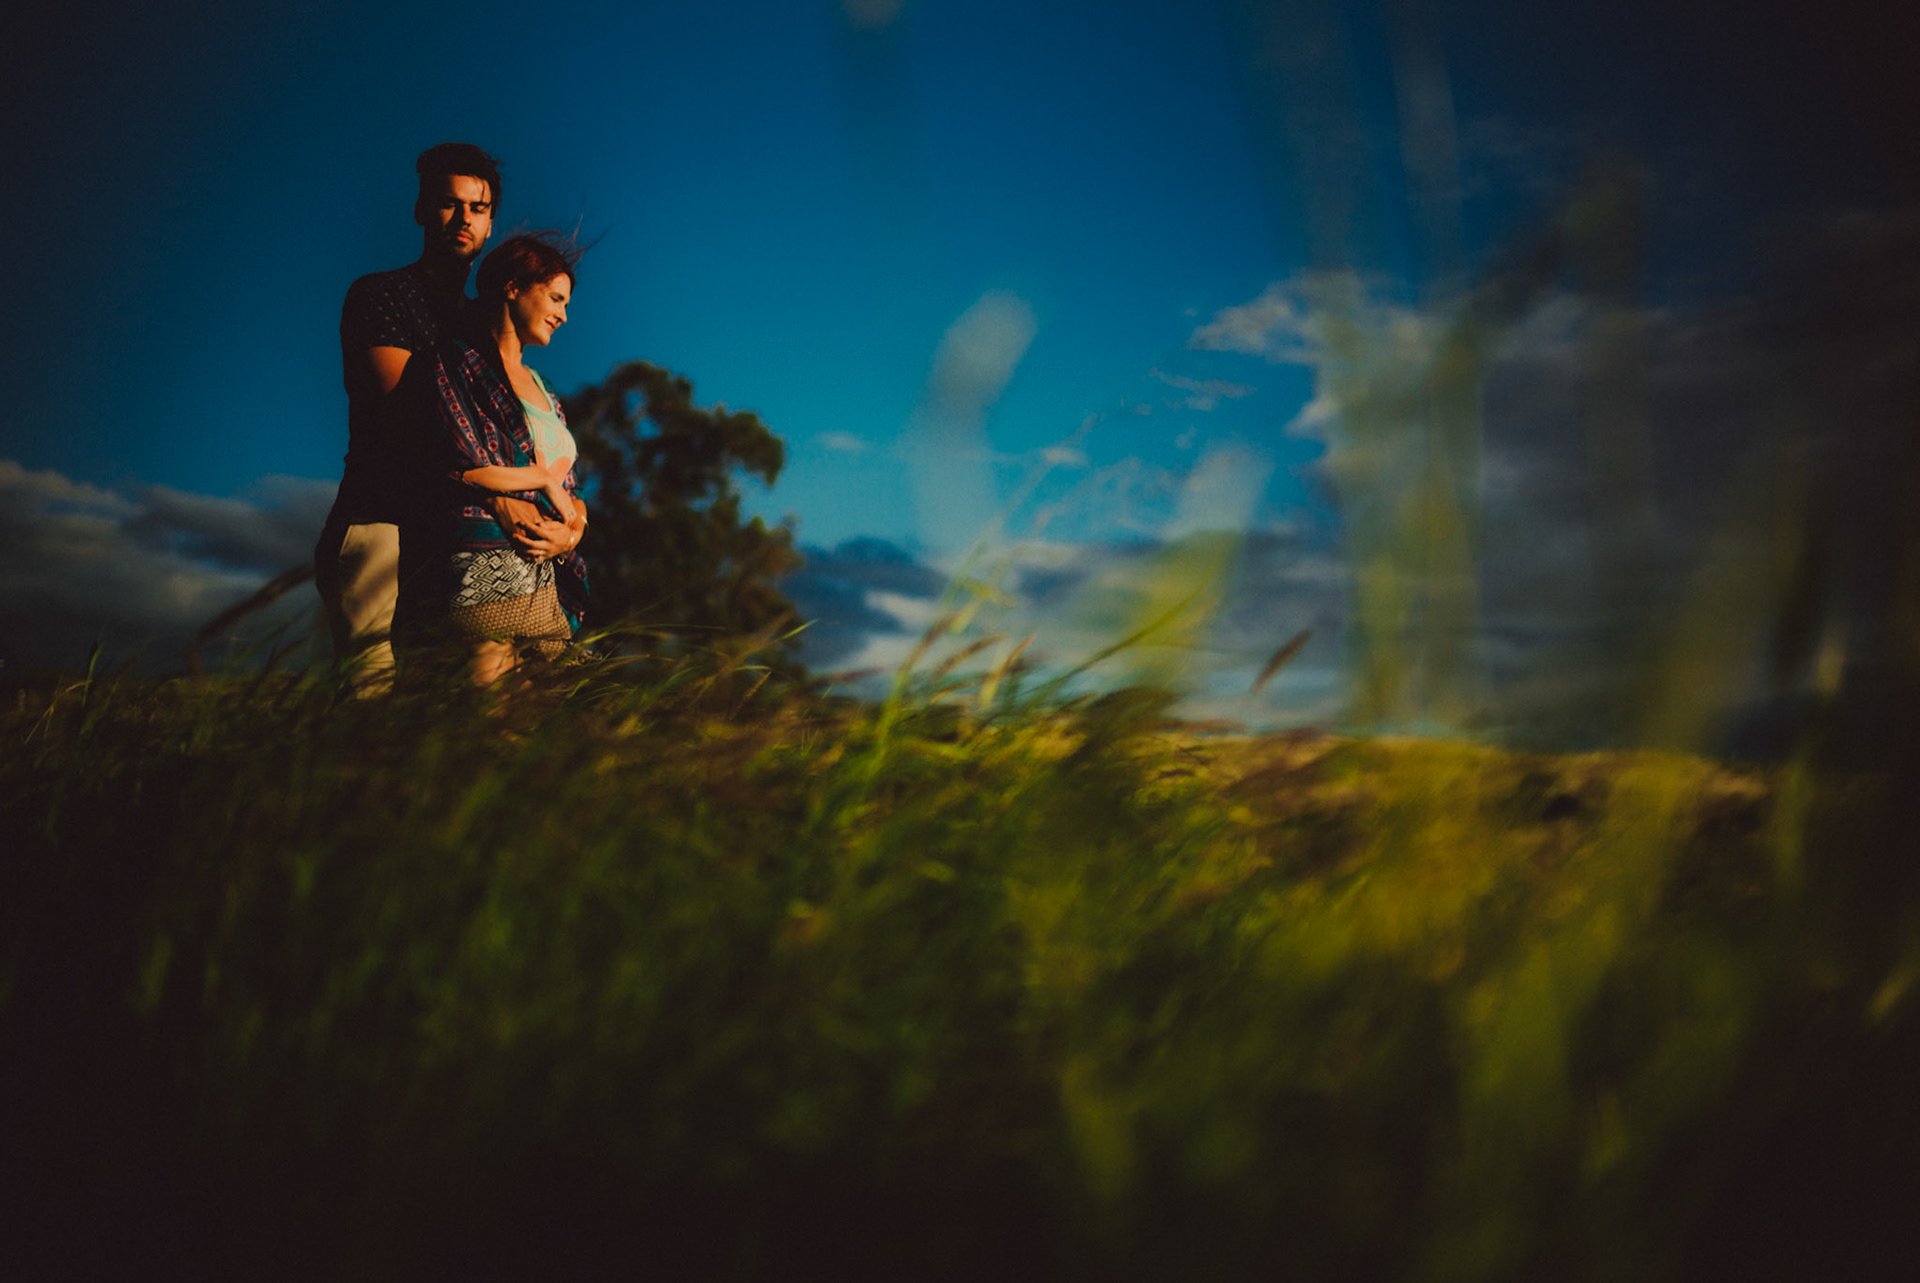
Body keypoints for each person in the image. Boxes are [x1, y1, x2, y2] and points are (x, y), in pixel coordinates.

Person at [314, 142, 570, 693]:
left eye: (477, 209)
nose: (463, 219)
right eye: (449, 204)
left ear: (490, 222)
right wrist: (496, 491)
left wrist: (566, 511)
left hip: (462, 543)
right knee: (371, 697)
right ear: (421, 210)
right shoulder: (383, 295)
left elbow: (516, 428)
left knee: (453, 720)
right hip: (381, 519)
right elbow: (404, 413)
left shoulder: (488, 320)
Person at [398, 234, 590, 685]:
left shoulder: (544, 388)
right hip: (486, 556)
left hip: (548, 566)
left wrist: (574, 530)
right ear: (512, 286)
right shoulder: (457, 361)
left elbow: (573, 486)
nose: (564, 314)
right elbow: (459, 460)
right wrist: (541, 482)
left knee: (535, 719)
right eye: (556, 298)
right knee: (486, 707)